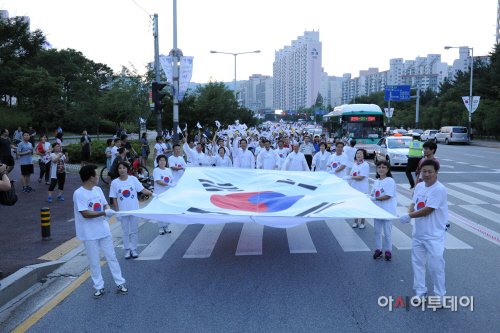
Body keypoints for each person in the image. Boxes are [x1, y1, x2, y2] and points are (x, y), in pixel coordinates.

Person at [73, 165, 128, 298]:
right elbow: (85, 213)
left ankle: (120, 283)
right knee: (94, 261)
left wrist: (107, 210)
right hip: (89, 233)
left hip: (103, 230)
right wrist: (104, 212)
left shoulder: (97, 190)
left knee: (112, 257)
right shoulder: (79, 193)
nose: (98, 177)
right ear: (91, 178)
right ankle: (99, 286)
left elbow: (105, 204)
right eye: (97, 175)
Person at [399, 159, 448, 306]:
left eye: (430, 172)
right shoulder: (419, 186)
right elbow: (414, 203)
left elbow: (428, 209)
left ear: (436, 172)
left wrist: (408, 216)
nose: (426, 174)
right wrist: (409, 212)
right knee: (418, 263)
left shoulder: (439, 189)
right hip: (419, 233)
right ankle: (420, 291)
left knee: (436, 266)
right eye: (423, 171)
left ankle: (440, 296)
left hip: (434, 235)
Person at [110, 161, 153, 259]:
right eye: (120, 168)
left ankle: (134, 249)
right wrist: (117, 212)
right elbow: (114, 198)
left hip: (134, 210)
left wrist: (152, 193)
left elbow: (142, 189)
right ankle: (127, 250)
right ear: (118, 170)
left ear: (127, 169)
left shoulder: (133, 179)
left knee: (134, 231)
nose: (122, 170)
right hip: (123, 211)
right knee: (125, 231)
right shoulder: (115, 182)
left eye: (124, 168)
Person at [369, 160, 397, 261]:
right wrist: (369, 197)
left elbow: (388, 196)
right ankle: (378, 250)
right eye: (379, 167)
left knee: (387, 233)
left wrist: (374, 198)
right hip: (377, 211)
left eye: (383, 167)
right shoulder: (377, 181)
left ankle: (388, 251)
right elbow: (373, 193)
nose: (381, 169)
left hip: (387, 211)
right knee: (377, 232)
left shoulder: (390, 181)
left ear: (388, 169)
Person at [344, 149, 369, 229]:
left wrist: (351, 177)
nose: (358, 155)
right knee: (355, 206)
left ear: (364, 155)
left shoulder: (365, 165)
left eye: (360, 154)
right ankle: (355, 222)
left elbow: (361, 177)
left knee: (362, 206)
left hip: (362, 188)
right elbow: (351, 174)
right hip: (354, 188)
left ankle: (362, 222)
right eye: (357, 153)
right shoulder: (355, 165)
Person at [153, 155, 175, 234]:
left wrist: (173, 183)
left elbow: (171, 179)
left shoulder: (168, 170)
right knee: (160, 211)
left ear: (166, 162)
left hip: (167, 194)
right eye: (160, 160)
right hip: (159, 193)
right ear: (158, 162)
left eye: (164, 160)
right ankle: (160, 227)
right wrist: (168, 184)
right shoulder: (156, 170)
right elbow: (158, 181)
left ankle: (166, 225)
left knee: (166, 210)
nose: (162, 162)